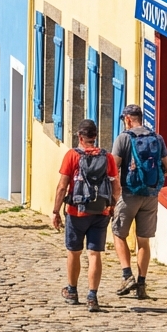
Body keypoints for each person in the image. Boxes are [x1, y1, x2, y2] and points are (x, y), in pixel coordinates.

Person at [53, 119, 120, 312]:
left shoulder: (72, 155)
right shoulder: (107, 157)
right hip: (100, 212)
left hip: (76, 212)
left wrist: (55, 211)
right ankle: (92, 296)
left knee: (74, 252)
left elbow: (62, 187)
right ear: (95, 136)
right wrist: (112, 205)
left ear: (79, 137)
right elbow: (116, 187)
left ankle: (72, 291)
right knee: (94, 253)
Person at [110, 104, 167, 299]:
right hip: (151, 196)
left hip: (129, 194)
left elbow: (113, 168)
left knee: (118, 233)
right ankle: (142, 285)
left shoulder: (123, 138)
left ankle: (127, 275)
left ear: (128, 119)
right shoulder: (157, 138)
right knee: (143, 241)